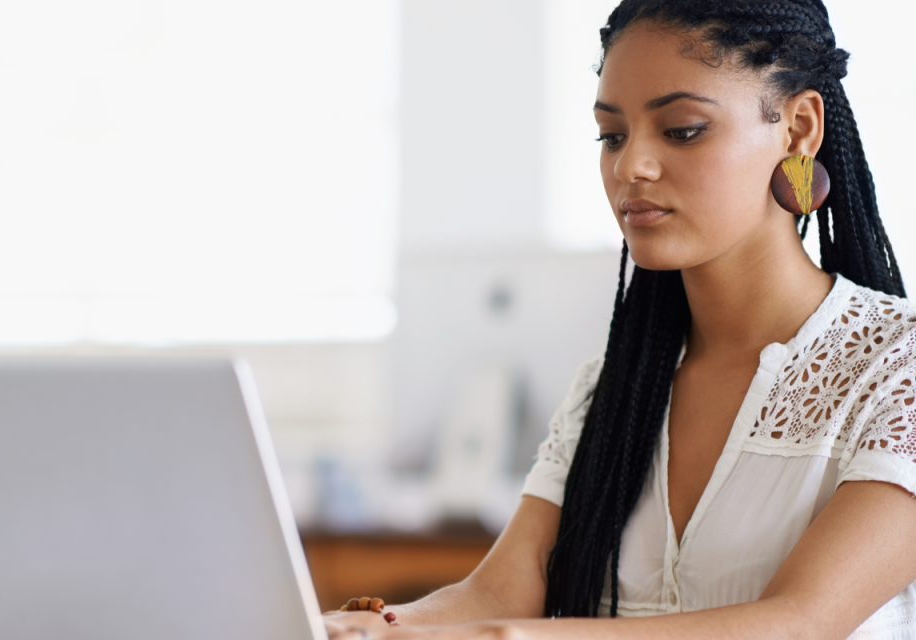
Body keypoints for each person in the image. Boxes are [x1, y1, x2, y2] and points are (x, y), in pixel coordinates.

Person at [324, 1, 916, 638]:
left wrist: (508, 639)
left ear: (798, 129)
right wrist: (366, 628)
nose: (630, 166)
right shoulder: (613, 389)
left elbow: (797, 623)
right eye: (612, 135)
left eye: (682, 129)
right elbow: (501, 589)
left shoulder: (896, 370)